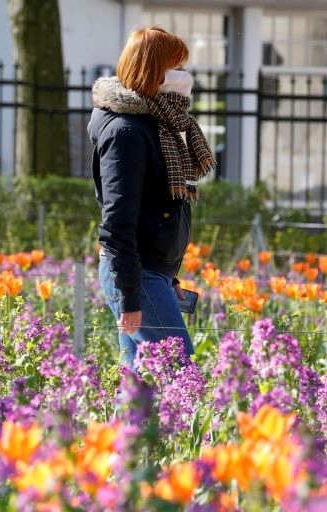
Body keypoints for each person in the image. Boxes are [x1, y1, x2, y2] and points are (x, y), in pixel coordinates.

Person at [88, 27, 214, 368]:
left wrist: (168, 274)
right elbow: (117, 220)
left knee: (142, 392)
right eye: (177, 66)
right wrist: (130, 295)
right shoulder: (126, 131)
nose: (184, 75)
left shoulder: (157, 123)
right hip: (136, 274)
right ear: (154, 71)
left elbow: (157, 209)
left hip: (151, 272)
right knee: (181, 377)